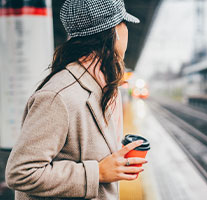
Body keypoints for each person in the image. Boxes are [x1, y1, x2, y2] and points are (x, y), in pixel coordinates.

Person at [5, 0, 148, 199]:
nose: (126, 31)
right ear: (112, 32)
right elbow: (21, 173)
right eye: (123, 23)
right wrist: (97, 172)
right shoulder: (58, 96)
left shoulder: (101, 85)